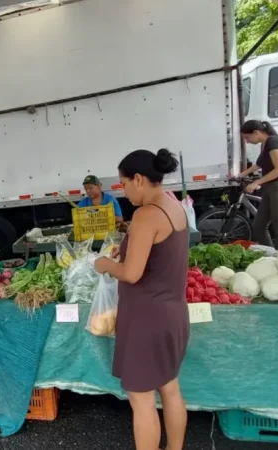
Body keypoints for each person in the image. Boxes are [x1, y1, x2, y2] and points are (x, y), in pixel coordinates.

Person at [94, 149, 189, 450]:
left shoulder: (146, 214)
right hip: (173, 314)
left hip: (147, 320)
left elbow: (132, 274)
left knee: (141, 398)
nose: (124, 192)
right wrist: (124, 252)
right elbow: (156, 255)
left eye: (123, 184)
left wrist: (105, 265)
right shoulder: (173, 205)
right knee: (170, 388)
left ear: (138, 179)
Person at [237, 120, 278, 250]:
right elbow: (259, 164)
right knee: (259, 225)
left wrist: (257, 182)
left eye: (247, 138)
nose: (247, 141)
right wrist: (240, 175)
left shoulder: (273, 142)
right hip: (270, 187)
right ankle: (271, 254)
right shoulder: (265, 144)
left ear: (256, 133)